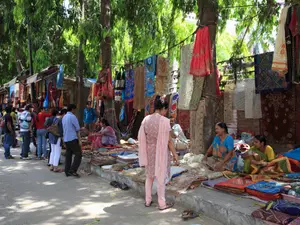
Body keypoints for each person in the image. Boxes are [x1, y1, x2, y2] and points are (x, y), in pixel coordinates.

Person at [138, 96, 179, 210]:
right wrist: (175, 155)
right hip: (161, 152)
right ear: (163, 109)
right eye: (166, 110)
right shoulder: (164, 121)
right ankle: (162, 204)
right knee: (160, 178)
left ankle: (148, 200)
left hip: (149, 151)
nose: (165, 113)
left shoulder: (146, 119)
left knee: (149, 176)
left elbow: (141, 136)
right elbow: (169, 141)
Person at [62, 104, 82, 177]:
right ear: (73, 109)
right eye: (75, 109)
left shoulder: (64, 117)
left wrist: (63, 139)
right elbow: (77, 129)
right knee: (78, 154)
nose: (75, 111)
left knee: (69, 155)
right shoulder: (72, 117)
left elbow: (64, 129)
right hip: (72, 138)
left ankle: (67, 171)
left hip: (66, 138)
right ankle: (73, 170)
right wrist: (79, 140)